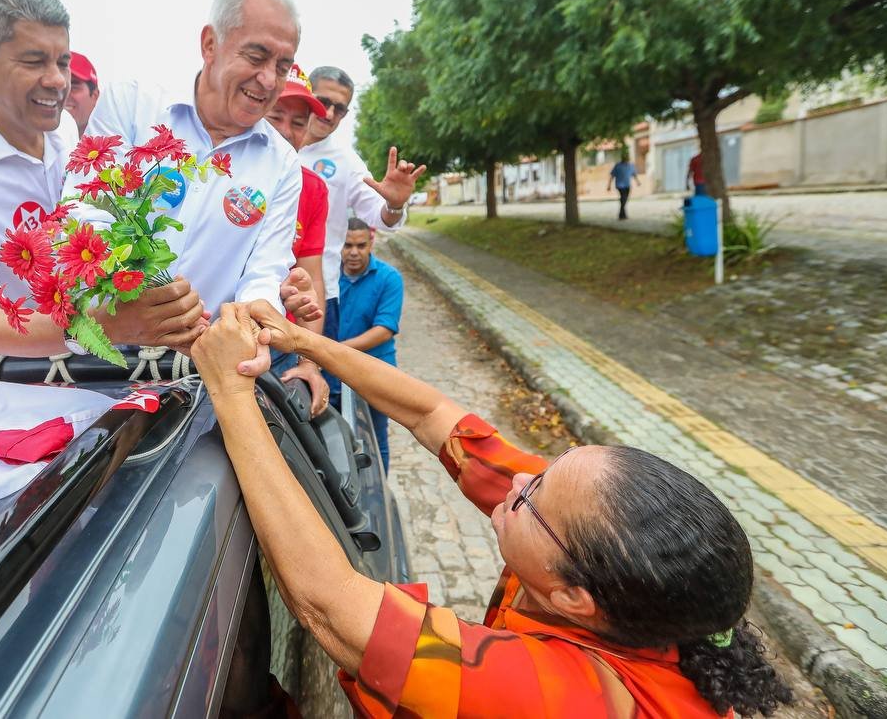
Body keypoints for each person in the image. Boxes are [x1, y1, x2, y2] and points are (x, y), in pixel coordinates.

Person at [191, 304, 795, 718]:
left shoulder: (561, 698)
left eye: (533, 496)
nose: (518, 480)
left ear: (574, 599)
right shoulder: (587, 542)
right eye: (548, 468)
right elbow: (434, 417)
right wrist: (305, 343)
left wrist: (231, 391)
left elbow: (331, 606)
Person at [0, 0, 207, 357]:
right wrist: (97, 327)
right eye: (33, 62)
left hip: (101, 376)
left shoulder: (70, 141)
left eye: (62, 62)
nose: (57, 81)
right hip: (6, 393)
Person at [72, 0, 313, 327]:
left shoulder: (283, 164)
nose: (269, 80)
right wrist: (133, 296)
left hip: (195, 368)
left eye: (282, 66)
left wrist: (249, 328)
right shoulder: (132, 105)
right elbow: (84, 209)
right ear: (210, 44)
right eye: (256, 57)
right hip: (96, 344)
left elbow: (264, 272)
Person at [297, 65, 425, 341]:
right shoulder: (271, 140)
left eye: (340, 109)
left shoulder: (346, 161)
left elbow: (382, 217)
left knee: (306, 380)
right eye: (323, 102)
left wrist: (394, 204)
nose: (329, 114)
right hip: (259, 286)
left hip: (317, 295)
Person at [264, 63, 332, 414]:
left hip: (277, 346)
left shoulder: (314, 189)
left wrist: (309, 362)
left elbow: (312, 276)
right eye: (276, 117)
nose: (285, 132)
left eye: (298, 123)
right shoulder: (220, 170)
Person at [325, 219, 402, 470]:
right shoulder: (327, 277)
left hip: (375, 372)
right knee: (330, 437)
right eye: (347, 245)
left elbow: (384, 329)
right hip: (330, 371)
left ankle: (378, 499)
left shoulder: (389, 278)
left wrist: (336, 349)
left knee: (375, 440)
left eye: (360, 245)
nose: (354, 252)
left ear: (371, 244)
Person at [65, 51, 99, 137]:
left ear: (95, 96)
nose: (63, 95)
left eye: (73, 87)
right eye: (58, 87)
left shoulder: (116, 147)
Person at [607, 152, 641, 219]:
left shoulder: (630, 166)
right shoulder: (617, 165)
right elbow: (612, 176)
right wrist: (609, 185)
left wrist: (638, 182)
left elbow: (634, 174)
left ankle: (623, 215)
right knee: (623, 199)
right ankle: (621, 215)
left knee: (624, 200)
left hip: (627, 185)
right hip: (620, 185)